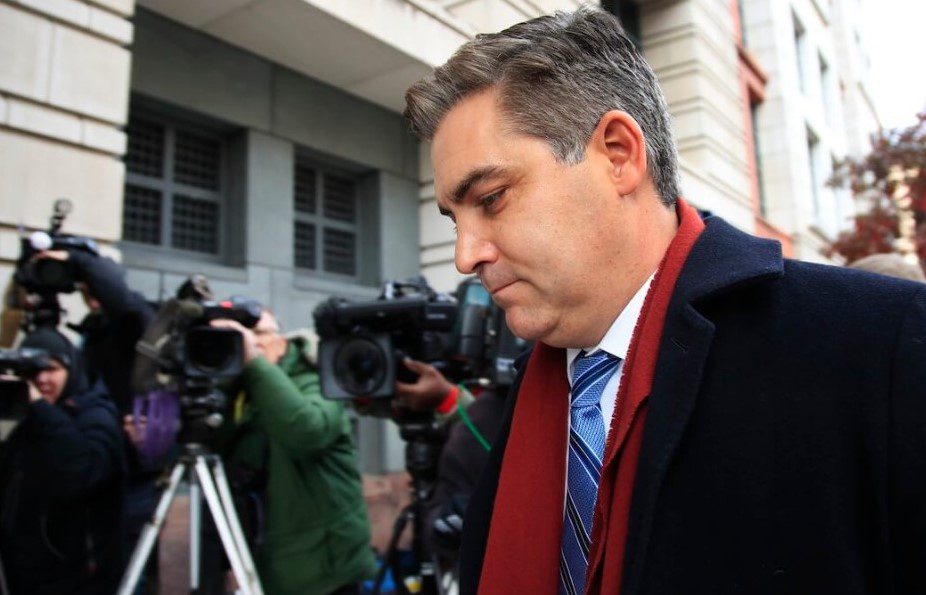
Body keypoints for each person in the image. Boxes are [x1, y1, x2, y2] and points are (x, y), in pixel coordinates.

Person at [404, 7, 926, 595]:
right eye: (455, 220)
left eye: (493, 198)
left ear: (619, 155)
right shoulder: (520, 394)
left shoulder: (882, 344)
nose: (465, 255)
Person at [208, 309, 376, 595]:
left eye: (257, 334)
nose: (250, 344)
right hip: (268, 563)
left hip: (326, 571)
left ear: (280, 339)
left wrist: (256, 364)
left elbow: (306, 430)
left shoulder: (319, 379)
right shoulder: (241, 391)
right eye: (240, 337)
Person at [0, 328, 125, 594]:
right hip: (27, 570)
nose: (42, 380)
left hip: (76, 575)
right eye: (32, 373)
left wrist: (40, 407)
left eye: (52, 369)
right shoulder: (29, 416)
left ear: (71, 368)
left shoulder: (96, 415)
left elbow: (83, 471)